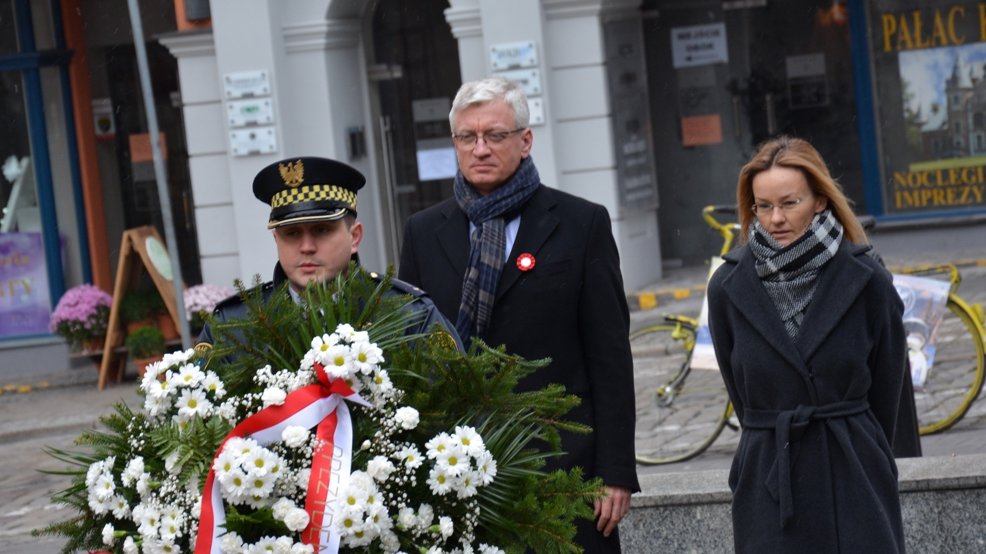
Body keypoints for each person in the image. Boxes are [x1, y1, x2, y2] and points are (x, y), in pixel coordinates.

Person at [398, 76, 638, 551]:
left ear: (525, 141)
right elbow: (413, 353)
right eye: (468, 137)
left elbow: (609, 354)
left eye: (495, 136)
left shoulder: (580, 223)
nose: (480, 148)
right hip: (461, 467)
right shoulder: (425, 232)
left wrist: (616, 472)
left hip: (563, 463)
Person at [706, 136, 909, 552]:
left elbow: (888, 393)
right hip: (770, 478)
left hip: (854, 476)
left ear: (819, 200)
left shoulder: (867, 279)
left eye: (790, 203)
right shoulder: (728, 286)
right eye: (764, 206)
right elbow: (742, 396)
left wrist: (865, 453)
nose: (776, 218)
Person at [195, 156, 457, 350]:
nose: (307, 246)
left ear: (354, 237)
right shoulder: (232, 326)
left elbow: (463, 407)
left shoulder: (409, 316)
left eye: (321, 230)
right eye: (292, 233)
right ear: (276, 239)